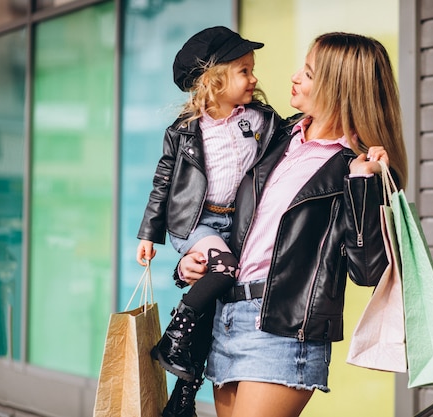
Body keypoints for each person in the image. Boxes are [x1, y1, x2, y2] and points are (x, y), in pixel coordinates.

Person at [178, 32, 408, 417]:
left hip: (283, 329)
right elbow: (230, 215)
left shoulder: (357, 167)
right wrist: (196, 256)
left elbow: (368, 271)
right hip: (228, 315)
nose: (295, 77)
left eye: (309, 73)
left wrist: (363, 182)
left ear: (340, 87)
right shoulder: (275, 137)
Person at [135, 26, 282, 417]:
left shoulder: (261, 119)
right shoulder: (184, 132)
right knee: (225, 267)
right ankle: (175, 333)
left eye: (253, 70)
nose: (254, 79)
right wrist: (149, 234)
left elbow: (293, 137)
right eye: (244, 71)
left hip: (239, 224)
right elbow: (163, 183)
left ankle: (183, 396)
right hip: (198, 223)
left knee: (216, 307)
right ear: (214, 81)